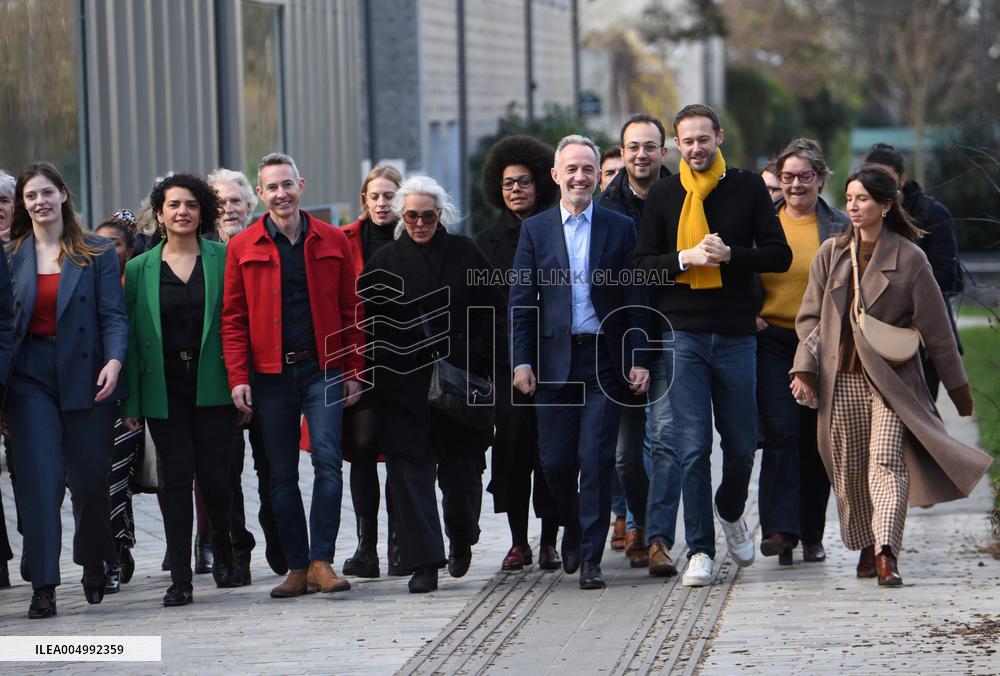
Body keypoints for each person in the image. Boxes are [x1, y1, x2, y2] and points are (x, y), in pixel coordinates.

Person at [790, 166, 990, 585]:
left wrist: (958, 390)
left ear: (885, 205)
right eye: (848, 199)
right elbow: (810, 319)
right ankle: (866, 542)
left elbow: (937, 331)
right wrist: (804, 370)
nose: (853, 207)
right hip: (839, 379)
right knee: (849, 469)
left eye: (862, 199)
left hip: (890, 382)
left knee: (885, 463)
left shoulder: (910, 258)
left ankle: (886, 552)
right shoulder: (831, 254)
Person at [633, 104, 792, 587]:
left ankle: (730, 509)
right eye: (688, 140)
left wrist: (731, 256)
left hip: (738, 334)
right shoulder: (663, 193)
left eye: (705, 138)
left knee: (743, 445)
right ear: (676, 146)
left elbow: (779, 255)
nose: (697, 148)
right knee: (692, 447)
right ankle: (699, 550)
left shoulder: (745, 188)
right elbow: (641, 266)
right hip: (683, 333)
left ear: (719, 138)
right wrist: (685, 257)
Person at [510, 135, 650, 591]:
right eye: (571, 169)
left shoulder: (619, 226)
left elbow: (634, 297)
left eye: (588, 169)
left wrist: (638, 357)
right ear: (556, 175)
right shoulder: (536, 230)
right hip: (553, 363)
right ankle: (572, 524)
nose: (580, 177)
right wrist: (522, 362)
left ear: (597, 175)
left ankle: (590, 556)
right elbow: (521, 302)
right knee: (554, 462)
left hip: (604, 360)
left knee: (596, 458)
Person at [222, 153, 365, 598]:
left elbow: (352, 309)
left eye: (288, 184)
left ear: (301, 185)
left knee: (327, 462)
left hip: (323, 368)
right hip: (269, 376)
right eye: (272, 187)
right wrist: (238, 376)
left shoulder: (332, 240)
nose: (281, 194)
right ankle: (298, 567)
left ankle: (323, 561)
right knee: (279, 474)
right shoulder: (242, 246)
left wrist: (355, 369)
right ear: (260, 194)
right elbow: (233, 318)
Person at [361, 175, 502, 593]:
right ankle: (424, 561)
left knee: (462, 474)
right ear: (401, 217)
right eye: (412, 216)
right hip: (403, 387)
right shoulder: (384, 261)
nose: (420, 223)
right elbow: (369, 326)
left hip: (459, 382)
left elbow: (491, 309)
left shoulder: (465, 252)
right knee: (410, 475)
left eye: (428, 215)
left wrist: (478, 359)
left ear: (441, 215)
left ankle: (462, 536)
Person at [4, 162, 128, 618]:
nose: (39, 202)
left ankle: (94, 559)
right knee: (40, 481)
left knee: (92, 480)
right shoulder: (10, 253)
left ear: (63, 195)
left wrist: (115, 360)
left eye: (46, 193)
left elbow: (113, 315)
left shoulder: (95, 251)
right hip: (29, 377)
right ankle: (43, 584)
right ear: (24, 204)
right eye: (31, 196)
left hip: (87, 375)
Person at [122, 174, 240, 606]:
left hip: (214, 385)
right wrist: (131, 401)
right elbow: (131, 339)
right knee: (175, 480)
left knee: (215, 477)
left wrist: (241, 384)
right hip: (164, 387)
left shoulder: (224, 258)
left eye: (190, 204)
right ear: (160, 213)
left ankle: (224, 549)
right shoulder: (138, 268)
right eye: (173, 205)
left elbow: (236, 324)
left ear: (202, 211)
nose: (182, 211)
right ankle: (181, 578)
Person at [754, 138, 849, 566]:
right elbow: (737, 271)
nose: (795, 185)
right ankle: (779, 530)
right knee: (780, 434)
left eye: (804, 177)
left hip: (821, 345)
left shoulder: (840, 227)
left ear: (821, 179)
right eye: (788, 177)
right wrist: (746, 312)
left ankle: (811, 533)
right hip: (771, 340)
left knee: (815, 440)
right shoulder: (761, 222)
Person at [476, 135, 561, 573]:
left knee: (552, 453)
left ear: (539, 183)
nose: (515, 191)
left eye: (524, 182)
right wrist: (499, 363)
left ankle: (549, 542)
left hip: (555, 359)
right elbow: (482, 308)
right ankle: (516, 542)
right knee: (511, 454)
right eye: (508, 184)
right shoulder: (486, 242)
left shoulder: (556, 229)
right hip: (506, 365)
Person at [597, 113, 677, 573]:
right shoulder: (606, 210)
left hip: (676, 331)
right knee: (627, 455)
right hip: (627, 340)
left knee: (667, 440)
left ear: (662, 152)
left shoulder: (682, 197)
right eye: (633, 147)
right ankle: (637, 518)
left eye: (650, 146)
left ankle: (655, 534)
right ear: (623, 152)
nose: (642, 154)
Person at [206, 167, 285, 582]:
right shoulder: (196, 250)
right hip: (215, 377)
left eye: (235, 200)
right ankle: (236, 548)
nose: (228, 208)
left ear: (250, 204)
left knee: (271, 464)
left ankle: (279, 536)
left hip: (264, 374)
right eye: (219, 201)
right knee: (224, 470)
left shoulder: (263, 244)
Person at [336, 164, 404, 579]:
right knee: (361, 449)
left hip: (404, 360)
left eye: (389, 196)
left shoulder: (415, 235)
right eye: (375, 196)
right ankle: (367, 546)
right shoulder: (343, 240)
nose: (382, 203)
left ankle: (400, 544)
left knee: (402, 451)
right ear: (364, 200)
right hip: (361, 358)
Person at [864, 143, 963, 400]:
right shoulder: (862, 218)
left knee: (920, 422)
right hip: (876, 335)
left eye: (886, 178)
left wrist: (900, 291)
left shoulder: (932, 214)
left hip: (923, 335)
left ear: (902, 179)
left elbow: (947, 274)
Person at [94, 210, 144, 594]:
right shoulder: (82, 280)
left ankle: (115, 554)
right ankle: (115, 545)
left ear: (127, 250)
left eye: (115, 245)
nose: (107, 251)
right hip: (88, 395)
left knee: (115, 477)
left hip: (125, 397)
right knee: (94, 479)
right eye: (100, 244)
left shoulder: (134, 284)